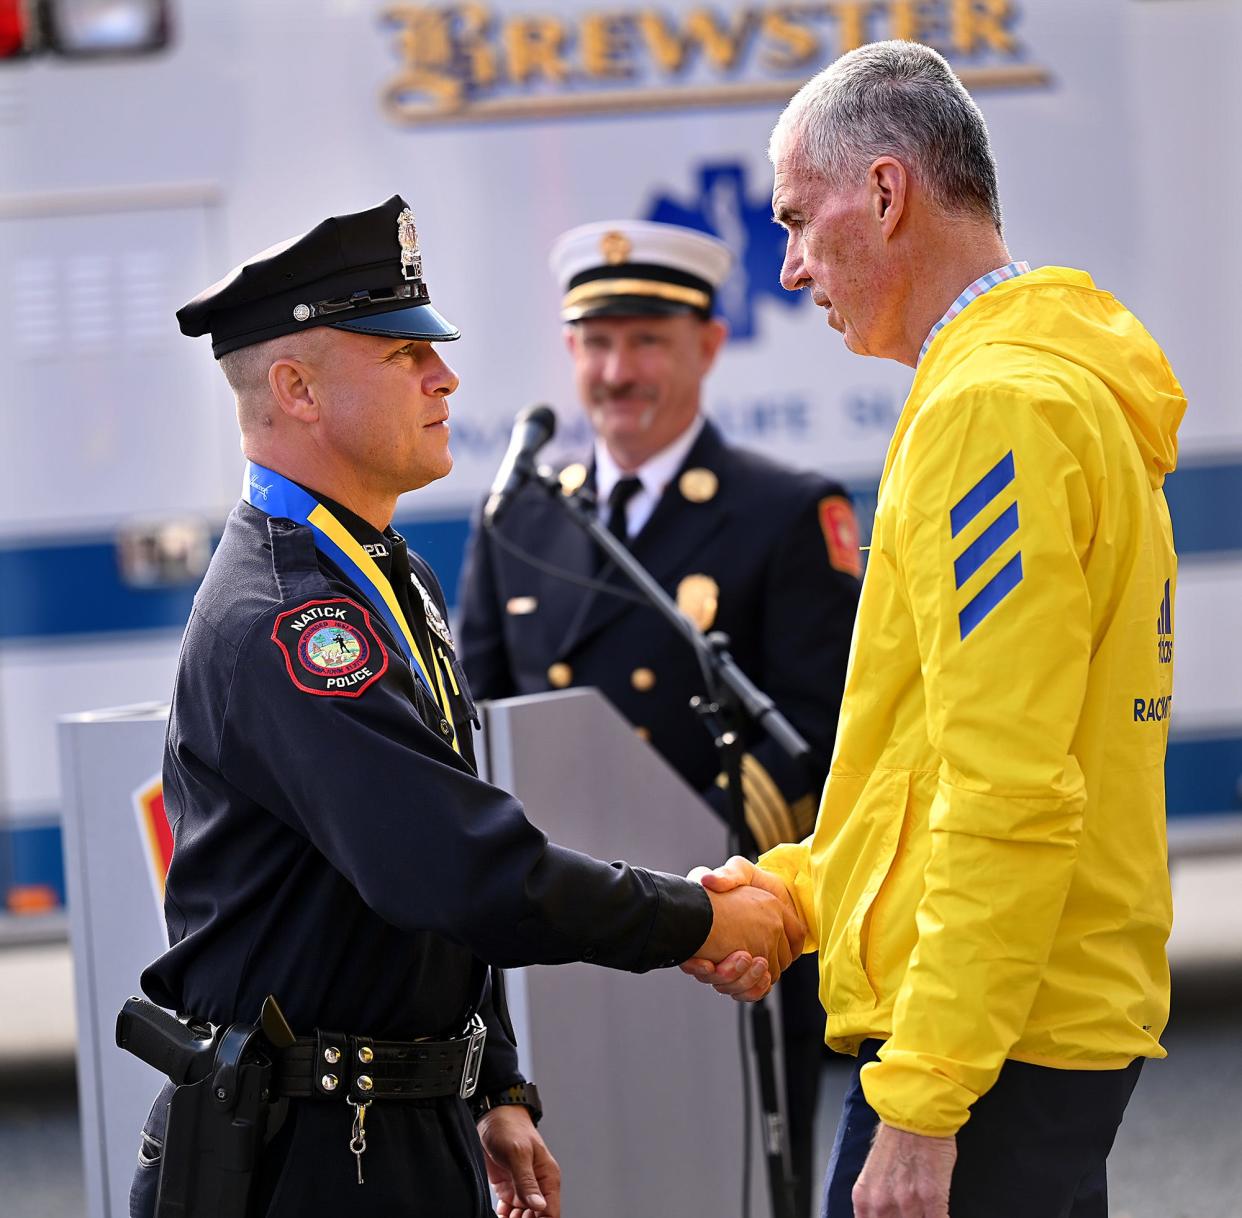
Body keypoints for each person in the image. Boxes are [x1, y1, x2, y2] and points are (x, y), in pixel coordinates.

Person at [129, 194, 802, 1218]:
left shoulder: (381, 573)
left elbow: (431, 858)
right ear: (298, 389)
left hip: (388, 1119)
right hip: (306, 1155)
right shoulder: (294, 620)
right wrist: (703, 918)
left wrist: (491, 1084)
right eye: (402, 356)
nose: (445, 376)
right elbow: (458, 868)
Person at [684, 40, 1186, 1218]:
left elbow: (1009, 788)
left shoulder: (992, 409)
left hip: (988, 1049)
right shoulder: (1039, 384)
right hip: (1029, 1022)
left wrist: (922, 1098)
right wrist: (796, 894)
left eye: (798, 220)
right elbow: (932, 769)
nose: (793, 265)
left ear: (889, 192)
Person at [457, 218, 862, 1216]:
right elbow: (472, 725)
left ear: (709, 347)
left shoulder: (785, 510)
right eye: (596, 342)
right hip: (561, 933)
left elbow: (819, 732)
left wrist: (719, 894)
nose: (617, 369)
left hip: (720, 930)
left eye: (646, 340)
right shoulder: (519, 518)